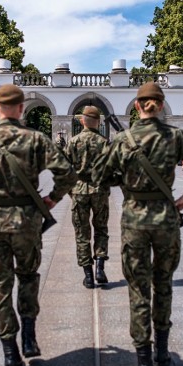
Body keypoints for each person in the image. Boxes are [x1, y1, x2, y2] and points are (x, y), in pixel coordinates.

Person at [94, 82, 183, 366]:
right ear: (160, 105)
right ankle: (162, 354)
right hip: (166, 220)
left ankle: (144, 364)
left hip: (135, 220)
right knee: (163, 285)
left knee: (138, 289)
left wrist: (125, 180)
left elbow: (100, 177)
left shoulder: (123, 140)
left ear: (137, 106)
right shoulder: (176, 137)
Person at [0, 83, 77, 366]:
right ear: (21, 108)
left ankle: (10, 354)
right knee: (27, 276)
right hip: (27, 219)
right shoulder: (35, 139)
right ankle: (29, 336)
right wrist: (52, 198)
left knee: (0, 285)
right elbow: (68, 173)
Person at [66, 106, 111, 288]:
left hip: (79, 190)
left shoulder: (73, 141)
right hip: (99, 190)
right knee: (101, 229)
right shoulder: (105, 142)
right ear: (98, 122)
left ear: (82, 121)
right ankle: (100, 267)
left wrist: (71, 190)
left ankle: (88, 275)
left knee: (81, 233)